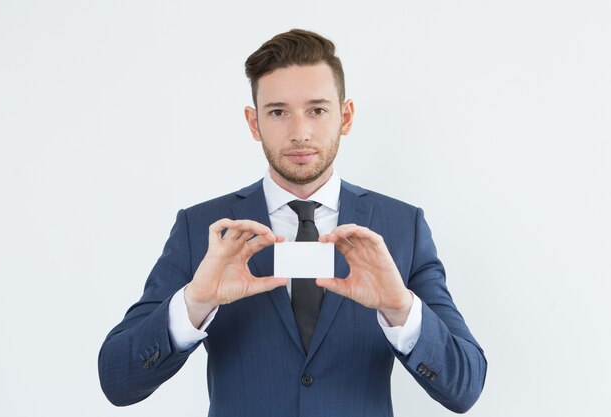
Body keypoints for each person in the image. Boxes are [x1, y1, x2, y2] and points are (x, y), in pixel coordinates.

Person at [98, 29, 487, 416]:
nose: (299, 133)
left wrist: (400, 308)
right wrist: (194, 303)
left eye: (317, 110)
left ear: (345, 116)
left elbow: (465, 387)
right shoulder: (203, 229)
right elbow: (118, 380)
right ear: (254, 123)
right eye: (278, 112)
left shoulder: (402, 226)